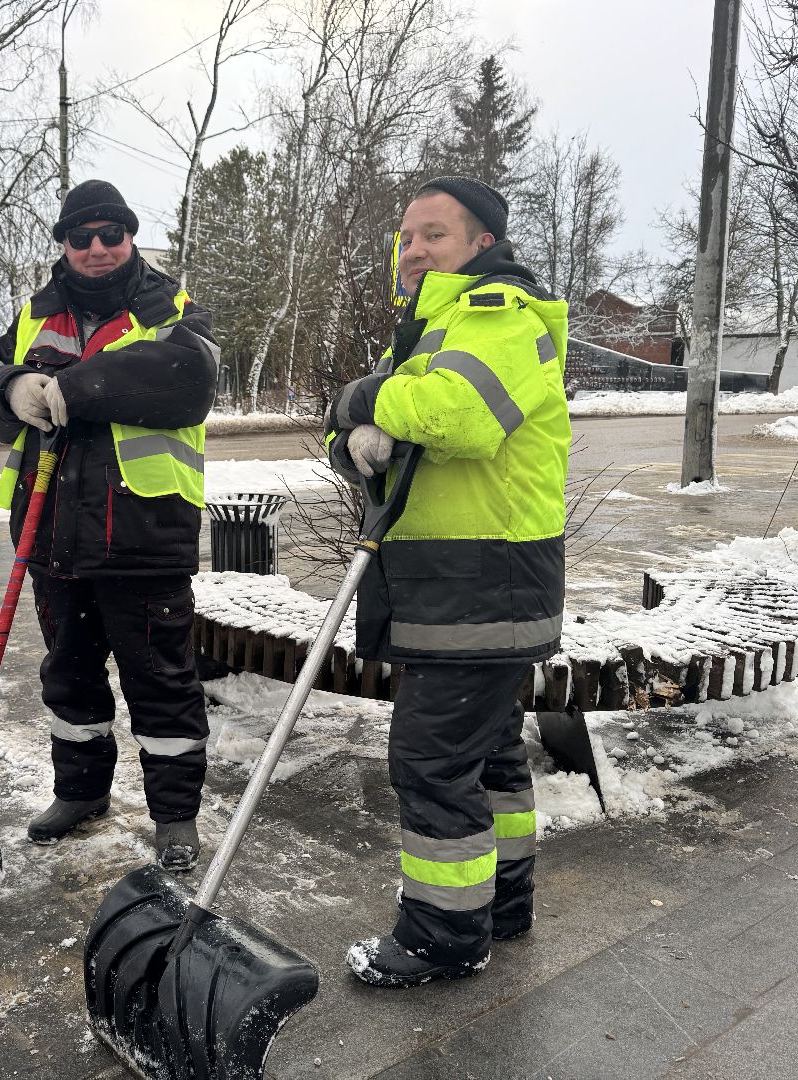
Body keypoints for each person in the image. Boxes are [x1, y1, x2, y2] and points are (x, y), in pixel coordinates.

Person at [326, 176, 570, 987]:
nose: (415, 250)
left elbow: (457, 415)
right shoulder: (432, 329)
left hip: (483, 586)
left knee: (432, 765)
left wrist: (363, 400)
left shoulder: (501, 316)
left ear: (481, 245)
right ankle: (500, 906)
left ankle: (443, 935)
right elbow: (393, 435)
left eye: (435, 234)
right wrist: (358, 437)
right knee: (488, 757)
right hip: (455, 588)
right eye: (407, 237)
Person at [0, 180, 220, 871]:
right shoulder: (34, 311)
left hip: (144, 534)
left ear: (131, 237)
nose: (98, 247)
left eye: (112, 234)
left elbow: (188, 379)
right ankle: (80, 792)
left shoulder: (168, 306)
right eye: (82, 236)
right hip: (51, 536)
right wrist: (13, 390)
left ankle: (174, 818)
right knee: (69, 676)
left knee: (161, 683)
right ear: (65, 244)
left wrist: (73, 386)